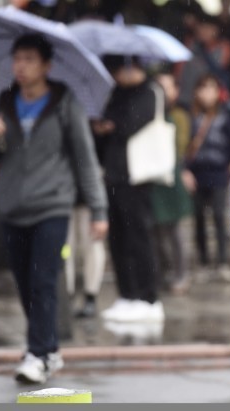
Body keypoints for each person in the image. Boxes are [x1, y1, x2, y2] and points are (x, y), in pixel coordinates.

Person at [0, 34, 108, 384]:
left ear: (46, 65)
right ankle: (49, 348)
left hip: (52, 205)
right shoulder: (4, 101)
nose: (20, 66)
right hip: (10, 206)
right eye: (17, 59)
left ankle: (36, 353)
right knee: (25, 283)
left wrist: (99, 210)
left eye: (28, 59)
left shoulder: (64, 102)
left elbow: (85, 160)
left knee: (43, 280)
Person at [93, 55, 163, 323]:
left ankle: (148, 296)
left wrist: (112, 125)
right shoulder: (115, 93)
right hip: (113, 175)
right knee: (118, 239)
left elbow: (134, 122)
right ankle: (127, 294)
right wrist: (103, 125)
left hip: (138, 175)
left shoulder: (150, 91)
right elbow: (105, 121)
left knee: (139, 238)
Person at [183, 73, 230, 282]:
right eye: (203, 88)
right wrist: (184, 170)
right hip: (196, 173)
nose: (207, 93)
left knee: (218, 216)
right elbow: (184, 146)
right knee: (198, 218)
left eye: (211, 89)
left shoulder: (225, 116)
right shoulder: (190, 116)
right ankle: (204, 262)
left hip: (218, 172)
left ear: (218, 93)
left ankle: (222, 262)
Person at [150, 72, 193, 294]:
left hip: (172, 176)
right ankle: (161, 274)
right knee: (156, 232)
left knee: (175, 232)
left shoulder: (177, 117)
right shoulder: (147, 116)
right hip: (153, 178)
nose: (165, 92)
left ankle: (180, 274)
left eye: (169, 86)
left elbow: (180, 149)